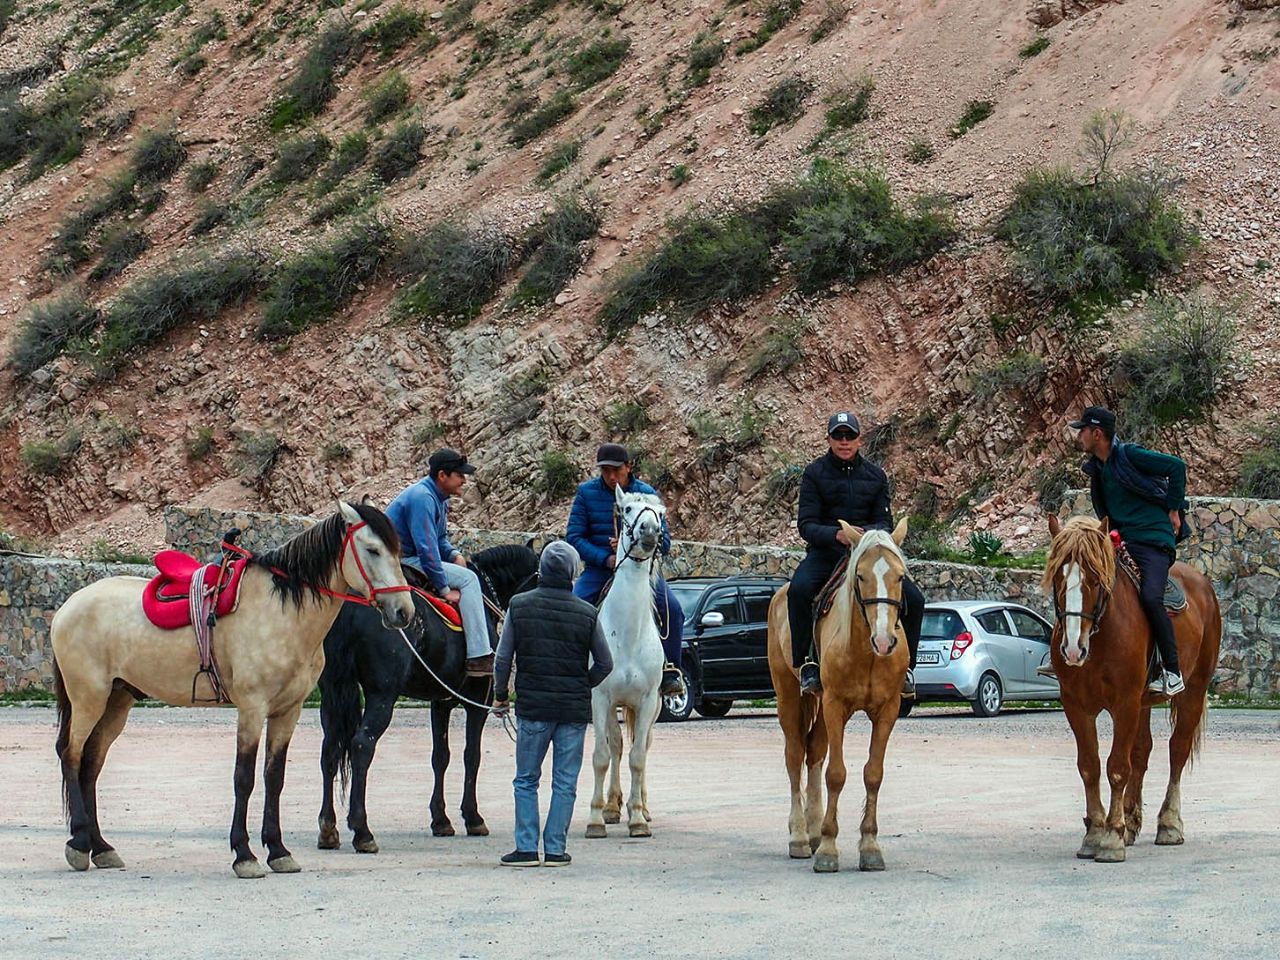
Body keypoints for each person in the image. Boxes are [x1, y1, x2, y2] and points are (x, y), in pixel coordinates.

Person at [787, 412, 925, 697]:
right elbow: (807, 524)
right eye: (838, 436)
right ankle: (807, 664)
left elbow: (885, 523)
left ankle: (908, 667)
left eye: (849, 435)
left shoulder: (876, 476)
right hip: (827, 554)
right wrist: (836, 535)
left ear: (860, 439)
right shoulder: (814, 474)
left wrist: (865, 537)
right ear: (829, 439)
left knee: (915, 599)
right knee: (798, 591)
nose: (844, 441)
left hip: (869, 555)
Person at [493, 541, 613, 867]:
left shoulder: (519, 605)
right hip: (572, 711)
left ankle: (527, 848)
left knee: (526, 779)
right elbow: (605, 664)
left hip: (533, 707)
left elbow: (503, 658)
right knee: (565, 781)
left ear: (541, 571)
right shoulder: (587, 613)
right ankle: (556, 849)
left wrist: (501, 695)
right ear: (573, 574)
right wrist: (580, 684)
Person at [1072, 405, 1188, 695]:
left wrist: (1173, 510)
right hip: (1120, 541)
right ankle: (1071, 653)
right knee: (1081, 580)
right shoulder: (1097, 469)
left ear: (1097, 433)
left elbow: (1176, 467)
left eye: (1082, 430)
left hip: (1153, 540)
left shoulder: (1130, 455)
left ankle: (1172, 671)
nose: (1079, 436)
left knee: (1150, 597)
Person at [565, 443, 684, 696]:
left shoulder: (647, 495)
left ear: (628, 467)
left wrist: (635, 547)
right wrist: (605, 558)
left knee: (673, 610)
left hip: (641, 571)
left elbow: (663, 543)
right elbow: (574, 537)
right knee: (573, 608)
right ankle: (572, 673)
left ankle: (671, 670)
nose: (610, 476)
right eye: (605, 470)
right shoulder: (586, 494)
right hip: (602, 569)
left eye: (616, 470)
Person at [385, 448, 493, 676]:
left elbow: (440, 538)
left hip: (411, 555)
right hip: (403, 560)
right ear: (442, 475)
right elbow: (426, 549)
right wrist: (444, 588)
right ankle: (479, 656)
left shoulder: (438, 497)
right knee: (469, 579)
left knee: (462, 570)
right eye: (459, 474)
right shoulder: (423, 498)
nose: (464, 479)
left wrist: (454, 554)